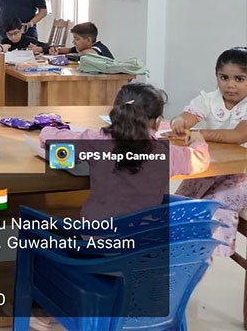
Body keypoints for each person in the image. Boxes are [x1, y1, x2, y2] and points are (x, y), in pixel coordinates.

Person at [40, 83, 209, 221]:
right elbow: (200, 161)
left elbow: (47, 137)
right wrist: (198, 140)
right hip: (144, 241)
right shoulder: (166, 153)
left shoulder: (96, 141)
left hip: (96, 237)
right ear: (157, 122)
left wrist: (51, 128)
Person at [170, 47, 247, 256]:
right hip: (215, 167)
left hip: (243, 172)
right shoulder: (209, 100)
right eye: (224, 77)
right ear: (216, 76)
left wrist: (200, 133)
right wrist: (179, 122)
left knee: (216, 205)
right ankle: (178, 241)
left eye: (239, 79)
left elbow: (239, 136)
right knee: (183, 198)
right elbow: (186, 117)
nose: (230, 85)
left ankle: (206, 250)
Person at [49, 22, 114, 59]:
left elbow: (87, 53)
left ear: (88, 40)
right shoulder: (83, 48)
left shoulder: (99, 48)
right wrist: (56, 50)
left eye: (77, 39)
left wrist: (64, 56)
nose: (73, 42)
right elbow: (69, 50)